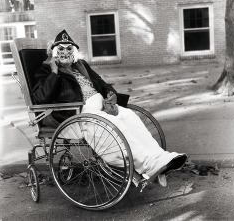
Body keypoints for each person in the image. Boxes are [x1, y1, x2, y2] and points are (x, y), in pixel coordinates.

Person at [32, 30, 187, 187]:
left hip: (99, 110)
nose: (65, 52)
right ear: (53, 52)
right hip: (74, 116)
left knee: (129, 116)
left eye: (69, 48)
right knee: (117, 127)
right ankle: (147, 164)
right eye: (61, 49)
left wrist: (110, 94)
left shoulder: (81, 65)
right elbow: (42, 97)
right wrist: (54, 72)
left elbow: (101, 83)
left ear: (74, 51)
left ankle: (161, 158)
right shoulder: (46, 70)